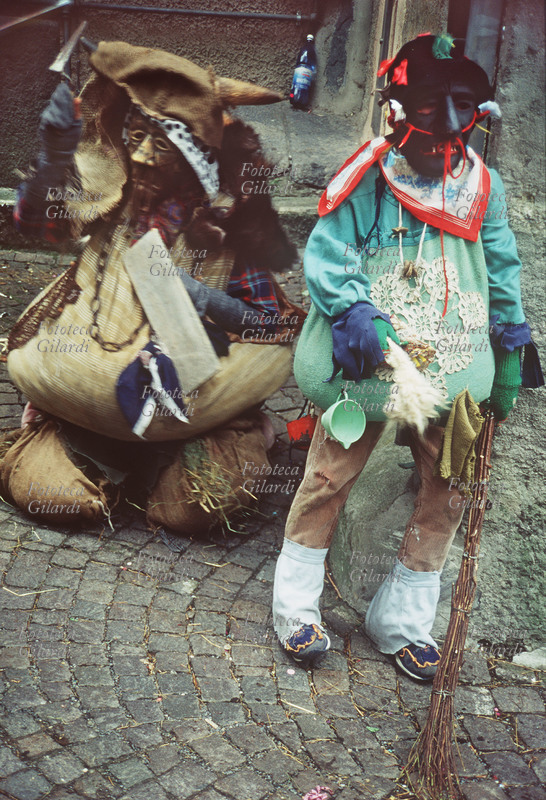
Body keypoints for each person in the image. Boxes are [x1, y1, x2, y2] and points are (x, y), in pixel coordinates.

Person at [271, 34, 542, 680]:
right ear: (398, 119)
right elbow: (330, 255)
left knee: (448, 489)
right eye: (426, 137)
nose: (438, 152)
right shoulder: (371, 176)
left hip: (453, 364)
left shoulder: (484, 187)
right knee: (331, 475)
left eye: (450, 139)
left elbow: (502, 268)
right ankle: (296, 607)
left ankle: (402, 618)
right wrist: (359, 313)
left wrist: (510, 354)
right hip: (369, 362)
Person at [4, 40, 305, 526]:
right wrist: (53, 155)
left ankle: (239, 435)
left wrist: (203, 296)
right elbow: (38, 223)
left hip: (187, 415)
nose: (141, 156)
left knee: (190, 511)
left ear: (193, 162)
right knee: (48, 493)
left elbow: (272, 325)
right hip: (92, 410)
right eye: (137, 136)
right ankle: (92, 448)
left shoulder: (226, 230)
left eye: (160, 145)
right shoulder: (113, 199)